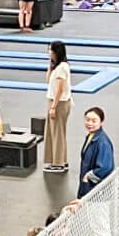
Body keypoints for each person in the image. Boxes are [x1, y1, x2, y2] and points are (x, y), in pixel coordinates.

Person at [43, 41, 72, 174]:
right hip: (56, 101)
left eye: (50, 50)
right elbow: (48, 80)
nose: (49, 52)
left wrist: (53, 107)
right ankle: (61, 160)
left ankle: (58, 163)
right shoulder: (58, 66)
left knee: (57, 133)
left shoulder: (62, 68)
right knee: (57, 132)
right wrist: (50, 65)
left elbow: (60, 89)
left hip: (58, 103)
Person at [77, 107, 114, 197]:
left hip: (96, 190)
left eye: (94, 121)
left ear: (101, 122)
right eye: (87, 120)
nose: (90, 123)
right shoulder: (92, 137)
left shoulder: (103, 142)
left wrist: (88, 177)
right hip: (88, 186)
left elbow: (106, 167)